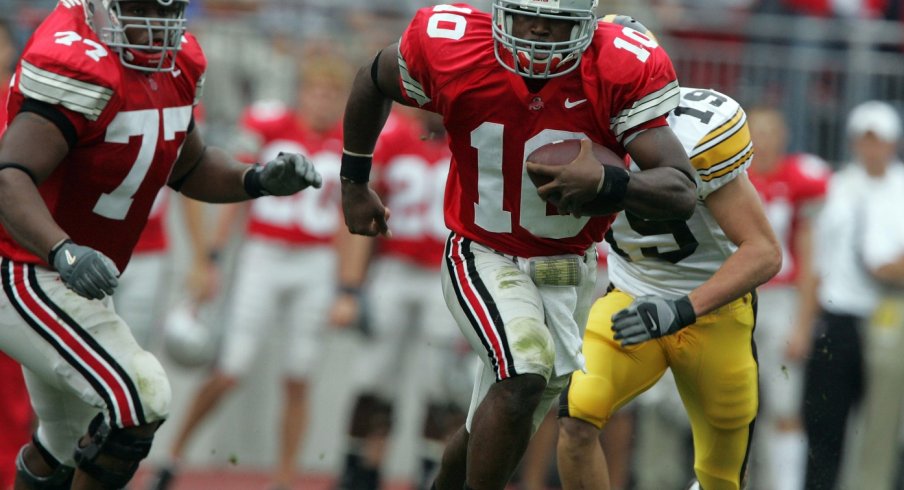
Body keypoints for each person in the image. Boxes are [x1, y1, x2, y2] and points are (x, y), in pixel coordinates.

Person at [340, 2, 699, 487]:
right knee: (523, 375)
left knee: (493, 424)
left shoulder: (617, 65)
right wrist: (354, 182)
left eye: (556, 22)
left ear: (587, 24)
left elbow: (680, 189)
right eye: (528, 14)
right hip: (482, 251)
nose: (538, 29)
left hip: (570, 269)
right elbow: (372, 79)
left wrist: (610, 185)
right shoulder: (455, 45)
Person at [0, 1, 323, 489]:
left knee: (63, 444)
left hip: (72, 275)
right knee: (140, 396)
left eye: (166, 7)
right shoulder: (75, 59)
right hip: (23, 267)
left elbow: (187, 165)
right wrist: (61, 249)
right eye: (139, 7)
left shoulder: (175, 61)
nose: (154, 21)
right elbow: (10, 177)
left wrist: (254, 179)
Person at [557, 86, 782, 490]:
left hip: (715, 310)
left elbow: (765, 251)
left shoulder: (699, 136)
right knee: (576, 417)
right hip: (631, 296)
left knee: (721, 478)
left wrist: (682, 309)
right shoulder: (574, 122)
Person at [148, 53, 350, 490]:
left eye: (332, 93)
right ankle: (173, 458)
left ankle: (284, 478)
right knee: (230, 367)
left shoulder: (347, 140)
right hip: (266, 254)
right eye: (316, 90)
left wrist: (346, 287)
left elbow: (345, 222)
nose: (322, 100)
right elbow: (234, 191)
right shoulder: (272, 126)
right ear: (301, 92)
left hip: (316, 263)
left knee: (299, 374)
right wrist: (214, 259)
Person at [331, 107, 475, 490]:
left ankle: (434, 473)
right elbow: (356, 209)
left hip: (447, 275)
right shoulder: (391, 137)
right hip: (393, 270)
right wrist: (349, 286)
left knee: (441, 385)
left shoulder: (473, 135)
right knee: (372, 379)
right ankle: (362, 469)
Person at [801, 100, 904, 490]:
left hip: (888, 312)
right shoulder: (836, 186)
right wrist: (805, 323)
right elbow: (815, 258)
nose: (872, 149)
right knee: (825, 422)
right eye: (866, 140)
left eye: (879, 141)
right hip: (838, 313)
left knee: (882, 422)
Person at [745, 106, 829, 490]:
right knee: (732, 407)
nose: (762, 139)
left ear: (784, 136)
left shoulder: (797, 181)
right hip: (737, 299)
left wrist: (804, 323)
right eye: (755, 130)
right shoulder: (733, 179)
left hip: (780, 300)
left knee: (783, 404)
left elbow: (810, 257)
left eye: (770, 130)